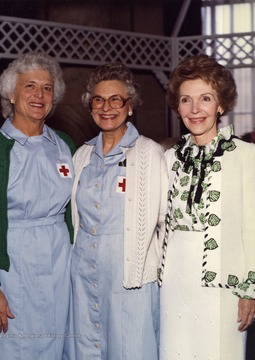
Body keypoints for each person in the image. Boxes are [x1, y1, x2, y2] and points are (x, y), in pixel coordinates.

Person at [0, 52, 76, 359]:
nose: (39, 95)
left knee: (55, 343)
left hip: (58, 266)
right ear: (11, 94)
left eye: (46, 88)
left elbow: (73, 213)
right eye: (29, 86)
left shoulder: (65, 145)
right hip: (10, 271)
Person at [67, 62, 168, 359]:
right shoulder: (82, 154)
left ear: (130, 106)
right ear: (90, 106)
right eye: (99, 99)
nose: (107, 107)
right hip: (84, 276)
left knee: (131, 349)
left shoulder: (149, 153)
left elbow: (165, 221)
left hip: (129, 278)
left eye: (116, 100)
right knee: (88, 349)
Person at [159, 54, 255, 359]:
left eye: (205, 98)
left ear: (221, 104)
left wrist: (249, 289)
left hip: (224, 284)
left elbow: (252, 227)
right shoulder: (169, 158)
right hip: (174, 280)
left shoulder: (245, 155)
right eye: (186, 100)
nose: (195, 109)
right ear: (177, 106)